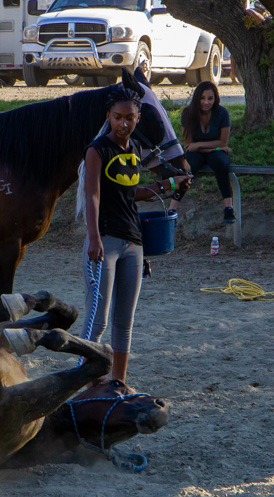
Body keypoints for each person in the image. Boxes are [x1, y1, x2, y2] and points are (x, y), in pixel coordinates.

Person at [77, 84, 190, 385]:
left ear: (138, 118)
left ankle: (118, 382)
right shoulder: (97, 150)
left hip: (133, 242)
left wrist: (167, 187)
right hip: (105, 240)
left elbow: (130, 193)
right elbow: (93, 196)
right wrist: (93, 237)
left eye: (130, 117)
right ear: (109, 117)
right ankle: (83, 382)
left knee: (124, 322)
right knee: (97, 320)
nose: (123, 123)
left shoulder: (136, 150)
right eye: (118, 117)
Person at [169, 80, 235, 224]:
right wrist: (213, 147)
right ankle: (172, 209)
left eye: (210, 98)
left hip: (214, 153)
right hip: (200, 153)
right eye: (202, 98)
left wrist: (200, 145)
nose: (206, 102)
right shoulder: (187, 113)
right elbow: (188, 145)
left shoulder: (222, 113)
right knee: (188, 166)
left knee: (220, 162)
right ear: (197, 98)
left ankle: (228, 208)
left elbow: (223, 142)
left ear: (215, 99)